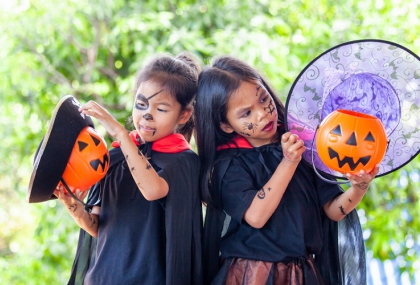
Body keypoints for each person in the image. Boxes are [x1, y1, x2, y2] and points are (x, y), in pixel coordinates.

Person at [195, 55, 378, 285]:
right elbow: (256, 216)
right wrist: (289, 162)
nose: (262, 113)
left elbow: (333, 211)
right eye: (246, 113)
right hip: (252, 275)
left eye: (263, 99)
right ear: (225, 125)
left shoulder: (305, 145)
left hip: (304, 275)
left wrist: (358, 189)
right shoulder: (229, 165)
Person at [54, 52, 203, 285]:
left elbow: (152, 189)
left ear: (184, 115)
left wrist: (120, 133)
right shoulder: (113, 158)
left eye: (161, 109)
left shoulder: (184, 162)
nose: (147, 115)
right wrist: (72, 205)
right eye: (141, 104)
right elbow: (98, 227)